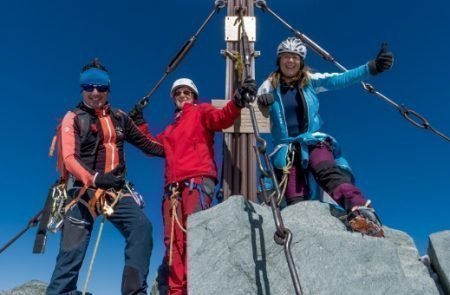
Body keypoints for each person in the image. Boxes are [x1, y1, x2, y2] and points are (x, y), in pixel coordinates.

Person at [46, 58, 164, 295]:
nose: (95, 92)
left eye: (100, 86)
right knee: (71, 253)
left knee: (142, 228)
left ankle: (134, 291)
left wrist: (184, 145)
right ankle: (60, 292)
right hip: (81, 191)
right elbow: (69, 158)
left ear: (108, 88)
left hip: (116, 191)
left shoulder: (120, 118)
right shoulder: (74, 117)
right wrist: (98, 178)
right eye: (88, 86)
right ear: (82, 88)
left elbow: (150, 146)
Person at [130, 77, 256, 295]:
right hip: (173, 190)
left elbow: (221, 118)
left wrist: (237, 100)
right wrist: (138, 123)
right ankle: (177, 292)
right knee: (173, 244)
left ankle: (195, 289)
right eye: (178, 93)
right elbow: (150, 146)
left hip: (196, 182)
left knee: (193, 238)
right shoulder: (170, 131)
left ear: (194, 96)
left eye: (186, 92)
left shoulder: (201, 112)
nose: (182, 95)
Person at [257, 37, 394, 237]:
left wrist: (371, 68)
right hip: (286, 150)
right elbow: (260, 105)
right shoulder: (269, 85)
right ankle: (303, 236)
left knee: (326, 170)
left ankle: (359, 211)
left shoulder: (310, 81)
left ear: (301, 61)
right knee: (295, 197)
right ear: (279, 60)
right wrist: (263, 102)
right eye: (286, 56)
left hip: (313, 140)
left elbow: (340, 79)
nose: (290, 61)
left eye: (295, 57)